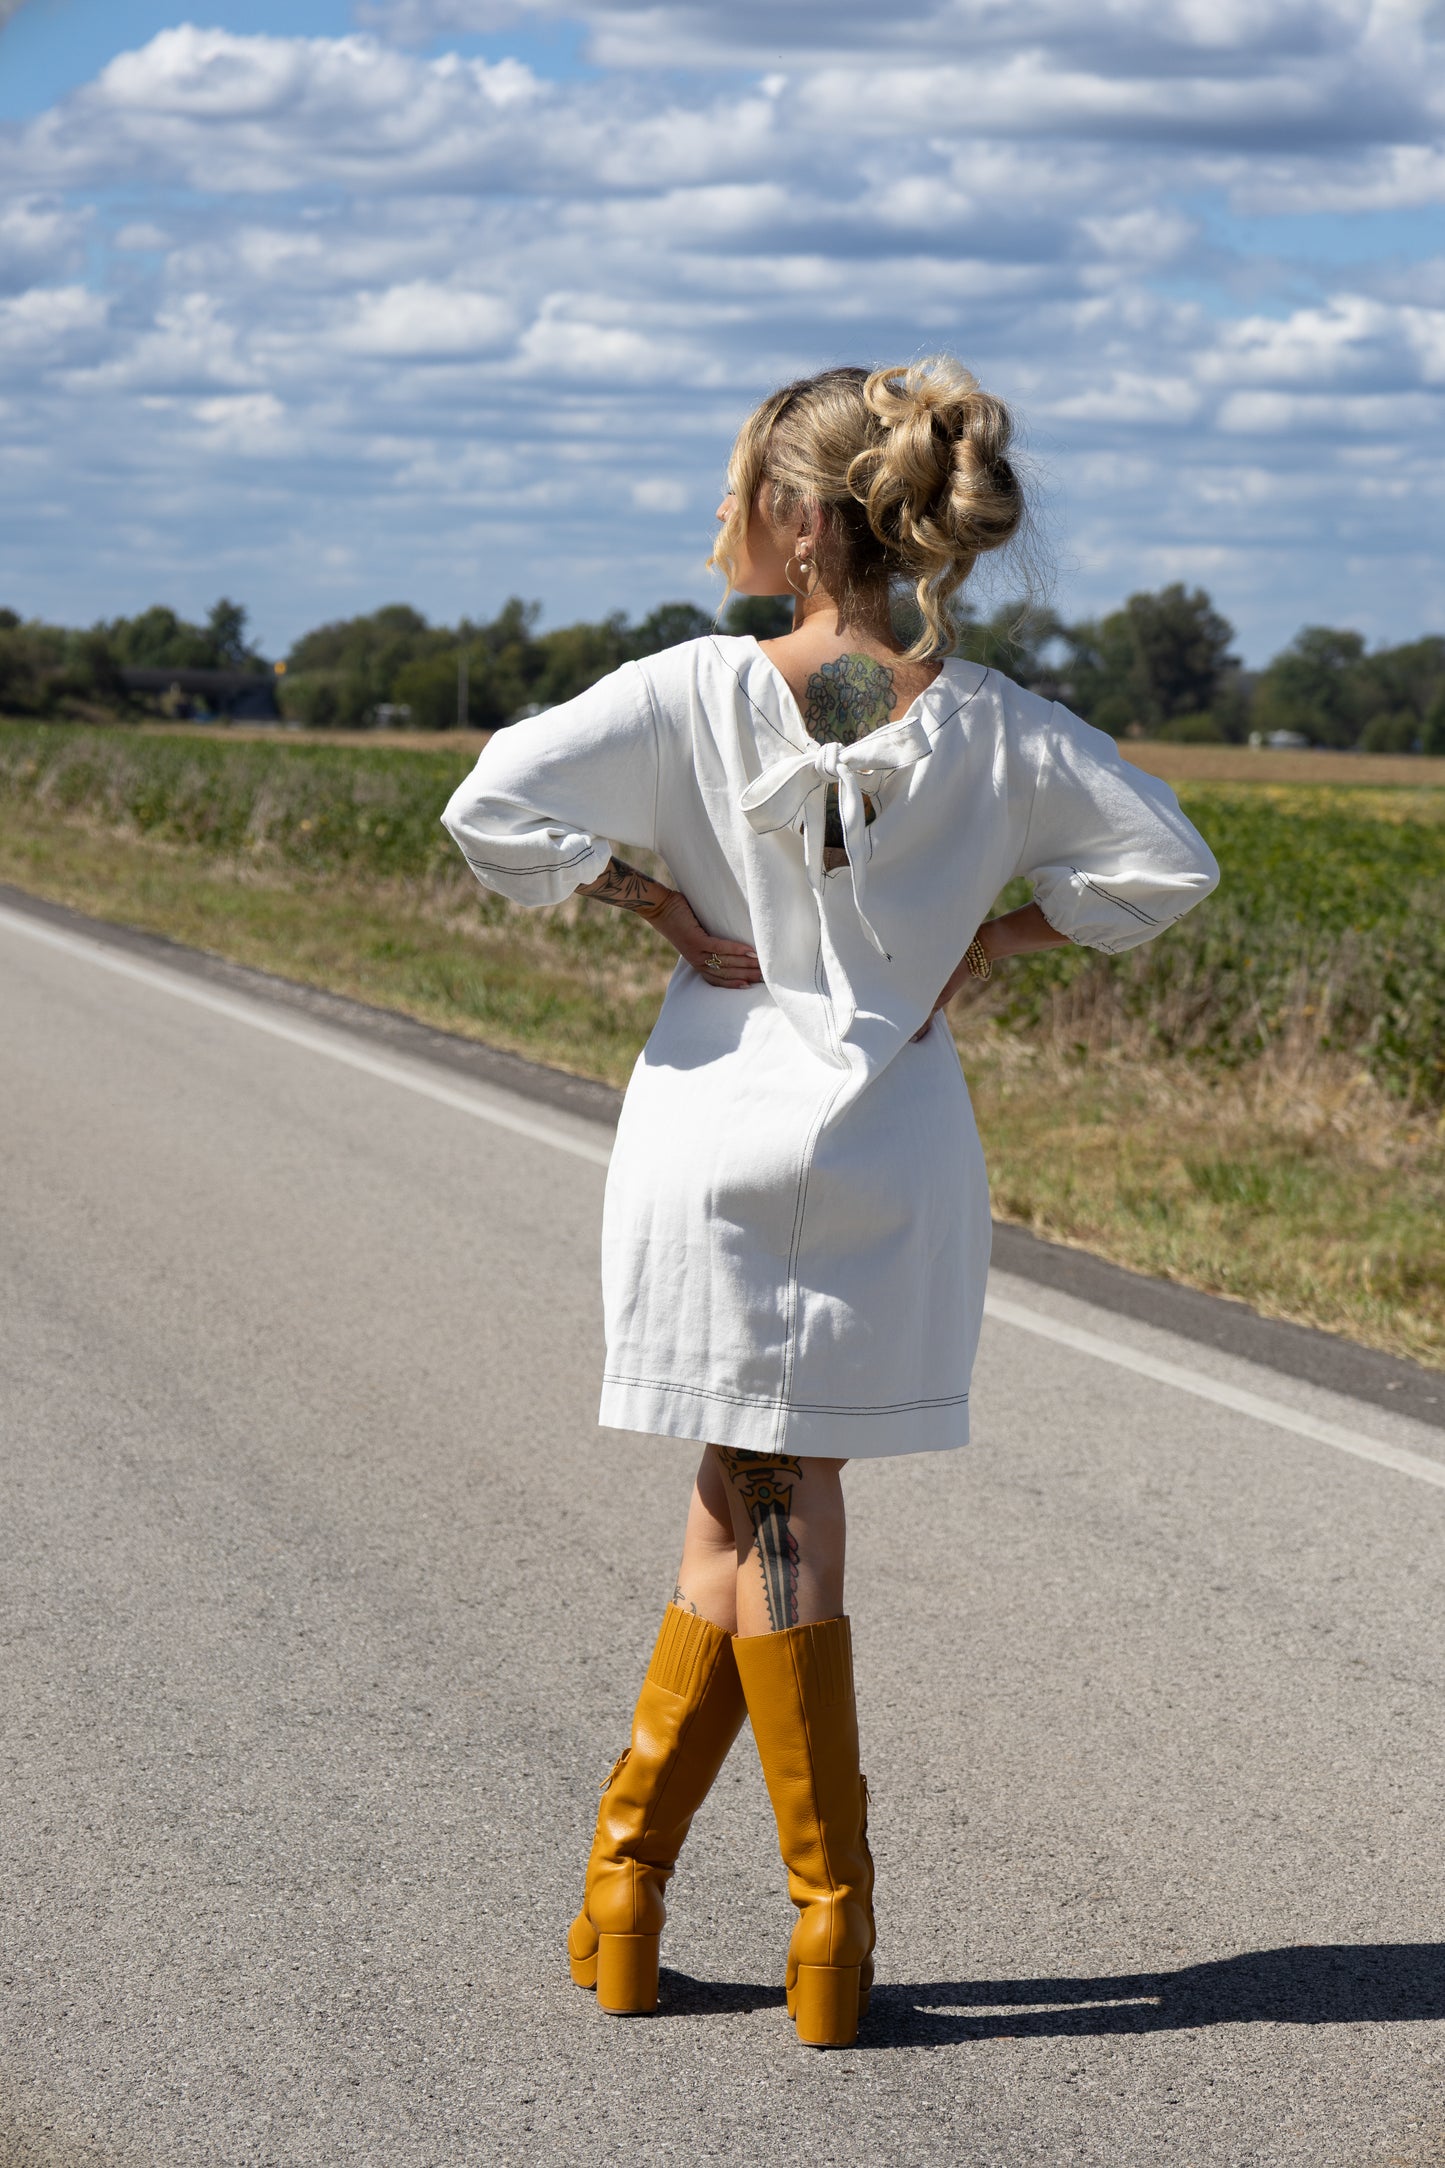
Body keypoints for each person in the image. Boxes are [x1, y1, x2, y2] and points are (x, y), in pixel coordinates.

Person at [441, 358, 1219, 2049]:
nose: (714, 514)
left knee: (743, 1504)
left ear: (797, 522)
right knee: (777, 1498)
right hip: (884, 1144)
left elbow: (485, 804)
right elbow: (1168, 862)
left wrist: (645, 898)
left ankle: (638, 1901)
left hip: (709, 1129)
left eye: (735, 485)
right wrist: (990, 940)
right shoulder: (998, 721)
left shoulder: (689, 690)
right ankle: (811, 1932)